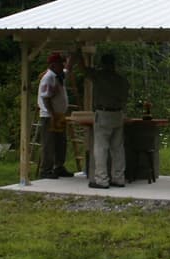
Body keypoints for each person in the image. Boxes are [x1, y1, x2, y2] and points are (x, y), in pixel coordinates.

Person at [81, 53, 129, 188]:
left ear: (103, 64)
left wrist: (79, 55)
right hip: (118, 113)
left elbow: (84, 70)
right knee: (118, 148)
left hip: (103, 113)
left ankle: (101, 179)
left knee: (101, 148)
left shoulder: (99, 76)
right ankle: (119, 178)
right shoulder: (121, 80)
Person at [37, 51, 73, 179]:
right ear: (53, 64)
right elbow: (46, 98)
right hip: (49, 115)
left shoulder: (59, 76)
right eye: (60, 63)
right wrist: (52, 114)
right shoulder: (49, 78)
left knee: (61, 142)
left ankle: (59, 166)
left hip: (59, 114)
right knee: (49, 143)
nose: (62, 65)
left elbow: (68, 69)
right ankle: (46, 170)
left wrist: (72, 56)